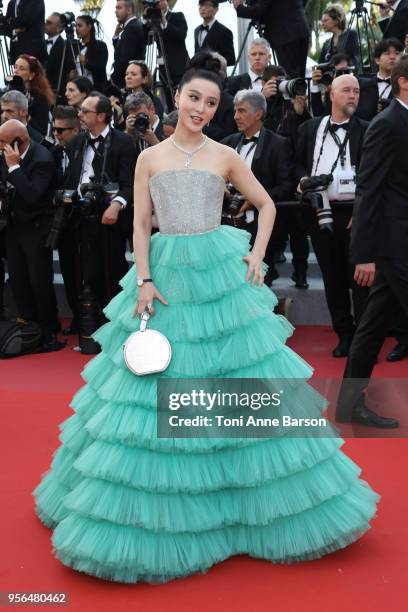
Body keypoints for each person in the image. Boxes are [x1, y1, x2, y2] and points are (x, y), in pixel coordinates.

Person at [34, 52, 379, 584]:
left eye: (211, 102)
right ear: (178, 98)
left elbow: (267, 205)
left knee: (233, 375)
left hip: (218, 273)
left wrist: (258, 255)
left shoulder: (225, 156)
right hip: (166, 275)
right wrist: (144, 281)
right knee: (151, 386)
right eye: (194, 98)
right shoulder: (150, 157)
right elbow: (141, 225)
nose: (201, 108)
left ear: (219, 109)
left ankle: (238, 509)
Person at [336, 55, 408, 428]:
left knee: (372, 325)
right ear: (404, 82)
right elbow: (368, 188)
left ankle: (349, 406)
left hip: (400, 241)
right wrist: (363, 253)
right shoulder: (387, 123)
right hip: (393, 244)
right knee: (372, 324)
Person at [296, 75, 370, 358]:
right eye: (347, 91)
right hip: (319, 210)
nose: (353, 96)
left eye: (357, 91)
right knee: (332, 279)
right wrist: (303, 180)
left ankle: (364, 342)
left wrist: (362, 211)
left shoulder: (368, 129)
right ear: (331, 94)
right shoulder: (309, 129)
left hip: (356, 213)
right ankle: (344, 335)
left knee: (360, 282)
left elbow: (375, 175)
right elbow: (293, 163)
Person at [63, 92, 136, 314]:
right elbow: (71, 178)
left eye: (85, 111)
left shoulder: (123, 142)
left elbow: (130, 183)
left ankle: (115, 321)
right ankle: (87, 323)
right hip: (80, 217)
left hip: (110, 219)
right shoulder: (76, 142)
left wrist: (116, 204)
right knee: (85, 272)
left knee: (112, 271)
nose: (80, 114)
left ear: (102, 116)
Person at [222, 90, 303, 288]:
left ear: (258, 114)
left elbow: (286, 186)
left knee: (258, 285)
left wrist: (255, 200)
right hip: (226, 227)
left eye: (241, 111)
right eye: (235, 111)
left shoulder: (279, 144)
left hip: (260, 227)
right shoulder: (227, 143)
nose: (236, 116)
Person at [0, 120, 62, 351]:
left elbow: (33, 195)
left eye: (3, 142)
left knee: (39, 279)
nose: (0, 146)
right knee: (17, 278)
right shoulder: (5, 156)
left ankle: (48, 328)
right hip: (14, 226)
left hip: (37, 228)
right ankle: (28, 325)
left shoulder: (43, 159)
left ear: (18, 142)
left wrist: (14, 168)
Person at [51, 106, 81, 336]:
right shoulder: (51, 153)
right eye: (54, 130)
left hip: (84, 222)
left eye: (62, 130)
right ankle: (78, 318)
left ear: (76, 129)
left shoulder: (84, 152)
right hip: (62, 224)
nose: (57, 134)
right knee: (70, 274)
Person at [233, 0, 310, 77]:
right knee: (299, 77)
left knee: (290, 77)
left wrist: (239, 7)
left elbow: (258, 10)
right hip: (301, 30)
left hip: (286, 35)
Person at [143, 0, 189, 110]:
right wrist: (145, 20)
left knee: (182, 96)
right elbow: (146, 41)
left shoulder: (177, 16)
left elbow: (182, 35)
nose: (158, 4)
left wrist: (165, 23)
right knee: (169, 98)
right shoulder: (152, 20)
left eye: (160, 0)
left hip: (179, 66)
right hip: (163, 67)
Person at [13, 54, 54, 137]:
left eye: (21, 69)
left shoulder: (40, 98)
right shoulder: (9, 92)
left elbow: (41, 130)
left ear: (31, 75)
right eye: (15, 67)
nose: (16, 71)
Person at [111, 0, 146, 90]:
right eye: (115, 8)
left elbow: (125, 59)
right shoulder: (132, 26)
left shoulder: (131, 28)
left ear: (129, 10)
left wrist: (113, 77)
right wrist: (115, 36)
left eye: (119, 8)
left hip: (126, 82)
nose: (115, 11)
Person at [194, 0, 235, 67]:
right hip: (199, 75)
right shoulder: (197, 30)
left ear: (216, 9)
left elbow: (231, 59)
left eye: (207, 5)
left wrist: (213, 61)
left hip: (216, 75)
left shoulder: (224, 31)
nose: (203, 8)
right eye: (201, 5)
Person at [44, 12, 75, 100]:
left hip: (57, 93)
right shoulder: (40, 44)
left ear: (59, 28)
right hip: (40, 90)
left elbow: (70, 70)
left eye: (49, 23)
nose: (45, 24)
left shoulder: (65, 46)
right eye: (46, 21)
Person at [4, 0, 46, 65]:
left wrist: (10, 21)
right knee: (18, 73)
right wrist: (14, 31)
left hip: (33, 48)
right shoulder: (12, 3)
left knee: (33, 73)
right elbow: (6, 27)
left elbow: (26, 20)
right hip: (15, 49)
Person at [75, 15, 109, 93]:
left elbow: (101, 68)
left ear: (89, 27)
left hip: (96, 90)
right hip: (79, 90)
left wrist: (86, 63)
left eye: (80, 25)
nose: (76, 29)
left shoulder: (100, 46)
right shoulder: (76, 46)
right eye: (75, 26)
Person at [318, 4, 358, 68]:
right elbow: (320, 64)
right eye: (322, 21)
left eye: (325, 20)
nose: (322, 24)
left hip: (348, 76)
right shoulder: (327, 43)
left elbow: (348, 57)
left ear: (336, 20)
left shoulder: (351, 34)